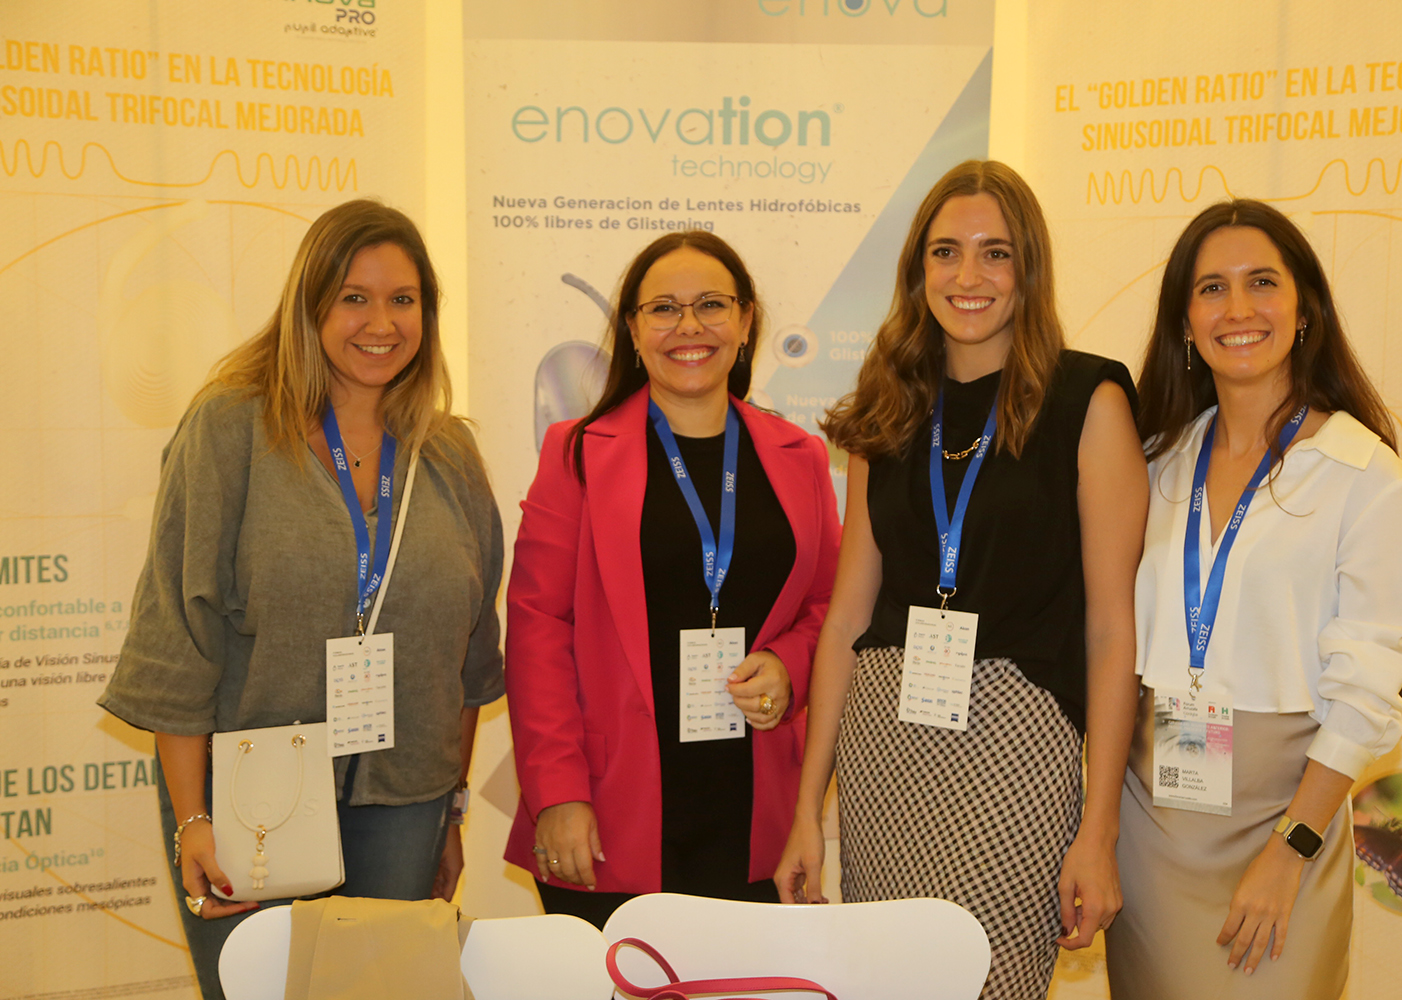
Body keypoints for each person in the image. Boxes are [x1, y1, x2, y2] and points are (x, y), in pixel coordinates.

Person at [99, 200, 504, 1000]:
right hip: (255, 797)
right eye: (354, 297)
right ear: (309, 306)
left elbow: (469, 657)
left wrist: (450, 815)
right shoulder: (231, 428)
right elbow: (179, 635)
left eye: (402, 299)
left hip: (406, 798)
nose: (381, 323)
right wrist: (193, 820)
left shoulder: (449, 451)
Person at [775, 159, 1148, 999]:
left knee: (992, 983)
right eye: (946, 252)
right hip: (885, 743)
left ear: (1029, 269)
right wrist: (808, 810)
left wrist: (1099, 830)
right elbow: (847, 621)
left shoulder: (1087, 400)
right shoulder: (887, 405)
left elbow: (1110, 630)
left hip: (1019, 747)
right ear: (919, 271)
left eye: (995, 253)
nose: (968, 276)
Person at [1106, 200, 1402, 999]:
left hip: (1285, 822)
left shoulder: (1362, 472)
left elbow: (1368, 685)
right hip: (1151, 827)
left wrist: (1292, 848)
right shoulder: (1154, 461)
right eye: (1211, 288)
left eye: (1262, 283)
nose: (1238, 309)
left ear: (1304, 307)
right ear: (1185, 320)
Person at [503, 230, 841, 929]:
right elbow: (538, 628)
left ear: (746, 322)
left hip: (756, 812)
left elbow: (830, 606)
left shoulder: (800, 456)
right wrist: (556, 793)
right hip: (607, 813)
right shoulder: (576, 453)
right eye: (663, 309)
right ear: (632, 330)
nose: (689, 327)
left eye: (711, 305)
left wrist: (791, 665)